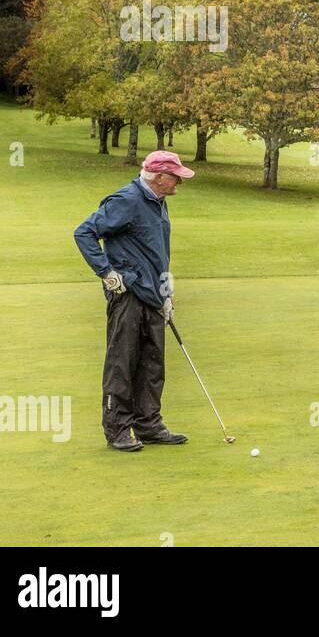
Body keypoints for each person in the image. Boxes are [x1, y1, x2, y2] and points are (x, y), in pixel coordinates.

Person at [74, 150, 195, 451]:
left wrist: (166, 294)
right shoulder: (126, 200)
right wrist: (106, 273)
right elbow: (84, 233)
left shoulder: (159, 203)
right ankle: (117, 429)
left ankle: (149, 424)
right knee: (123, 363)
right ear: (159, 177)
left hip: (154, 294)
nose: (180, 180)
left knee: (153, 363)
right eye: (175, 175)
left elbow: (159, 255)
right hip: (127, 294)